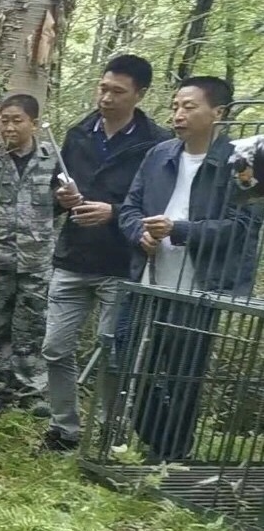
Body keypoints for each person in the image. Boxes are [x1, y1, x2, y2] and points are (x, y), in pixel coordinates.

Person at [115, 76, 262, 462]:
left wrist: (180, 230)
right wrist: (139, 234)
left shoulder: (243, 163)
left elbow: (244, 228)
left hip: (198, 286)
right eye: (176, 106)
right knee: (125, 356)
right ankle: (156, 439)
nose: (178, 114)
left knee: (182, 374)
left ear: (219, 113)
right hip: (147, 279)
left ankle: (171, 454)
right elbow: (130, 208)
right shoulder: (159, 154)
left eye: (189, 107)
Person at [39, 55, 173, 453]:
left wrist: (113, 213)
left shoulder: (158, 143)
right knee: (54, 348)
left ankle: (106, 434)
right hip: (73, 257)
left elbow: (159, 204)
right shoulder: (79, 132)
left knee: (114, 352)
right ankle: (64, 429)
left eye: (117, 91)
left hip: (124, 262)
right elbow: (55, 190)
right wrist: (62, 197)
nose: (106, 97)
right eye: (103, 88)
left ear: (140, 94)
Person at [0, 94, 61, 418]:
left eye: (17, 120)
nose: (9, 126)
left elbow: (63, 205)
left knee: (32, 327)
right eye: (4, 120)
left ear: (33, 123)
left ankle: (31, 392)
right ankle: (0, 389)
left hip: (36, 258)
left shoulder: (53, 158)